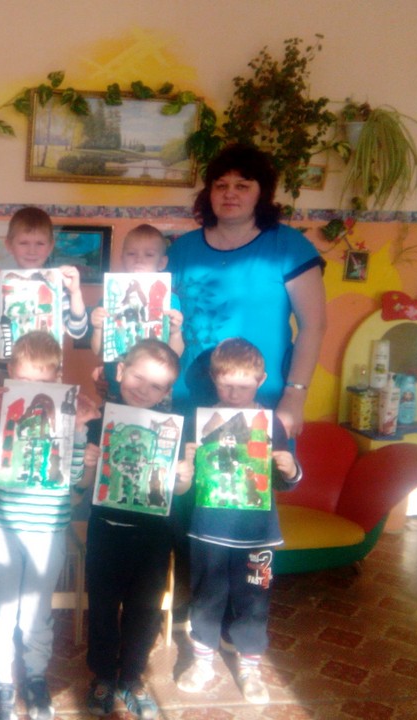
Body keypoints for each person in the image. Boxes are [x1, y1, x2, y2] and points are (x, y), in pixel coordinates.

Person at [0, 331, 97, 720]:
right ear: (11, 373)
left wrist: (80, 432)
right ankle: (2, 685)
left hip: (47, 528)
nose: (31, 389)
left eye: (42, 382)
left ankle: (35, 676)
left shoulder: (70, 421)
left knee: (36, 610)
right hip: (0, 527)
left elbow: (73, 481)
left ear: (58, 378)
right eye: (24, 380)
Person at [167, 144, 326, 438]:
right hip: (186, 397)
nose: (230, 193)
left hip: (261, 402)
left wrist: (295, 395)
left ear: (261, 193)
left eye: (242, 186)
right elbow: (155, 319)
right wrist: (122, 370)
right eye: (221, 185)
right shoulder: (181, 249)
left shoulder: (289, 247)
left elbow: (313, 327)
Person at [176, 338, 300, 705]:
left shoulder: (272, 424)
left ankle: (250, 667)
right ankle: (202, 662)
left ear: (261, 381)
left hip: (258, 536)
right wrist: (185, 467)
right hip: (208, 531)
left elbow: (285, 479)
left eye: (243, 386)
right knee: (206, 599)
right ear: (213, 378)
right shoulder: (197, 422)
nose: (234, 393)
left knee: (254, 602)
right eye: (226, 384)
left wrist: (290, 469)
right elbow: (183, 483)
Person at [78, 339, 195, 720]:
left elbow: (178, 490)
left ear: (166, 392)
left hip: (154, 536)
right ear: (121, 371)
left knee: (144, 612)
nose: (144, 389)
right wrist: (89, 465)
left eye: (156, 385)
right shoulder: (99, 422)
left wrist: (183, 478)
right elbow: (83, 485)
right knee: (102, 607)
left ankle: (131, 677)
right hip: (106, 531)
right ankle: (102, 675)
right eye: (138, 377)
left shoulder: (172, 430)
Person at [0, 206, 89, 362]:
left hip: (48, 367)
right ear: (9, 245)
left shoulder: (58, 285)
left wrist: (75, 292)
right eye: (23, 243)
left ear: (50, 246)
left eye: (40, 243)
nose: (32, 251)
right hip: (9, 367)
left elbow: (77, 331)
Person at [88, 223, 185, 402]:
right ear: (122, 258)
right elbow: (98, 351)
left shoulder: (170, 301)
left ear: (162, 262)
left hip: (154, 392)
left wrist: (176, 332)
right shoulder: (110, 298)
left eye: (149, 255)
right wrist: (97, 328)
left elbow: (175, 355)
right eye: (131, 254)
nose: (139, 260)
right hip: (115, 386)